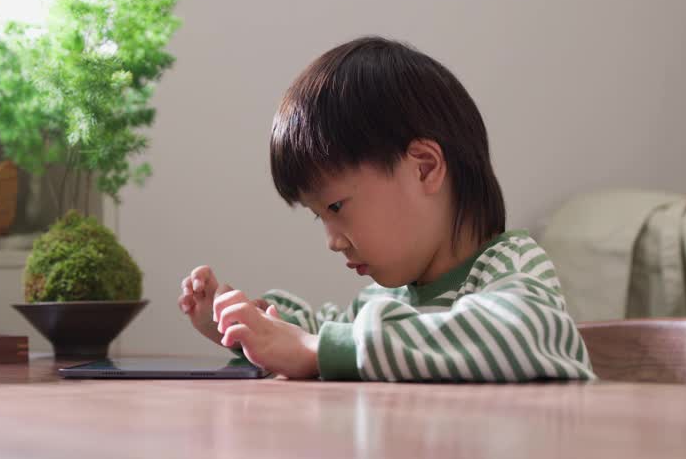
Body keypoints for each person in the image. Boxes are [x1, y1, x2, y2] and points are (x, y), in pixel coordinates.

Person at [178, 37, 595, 381]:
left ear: (424, 168)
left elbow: (520, 334)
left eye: (336, 206)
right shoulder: (387, 298)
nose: (332, 240)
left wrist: (316, 349)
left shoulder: (512, 267)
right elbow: (324, 330)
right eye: (319, 216)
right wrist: (250, 325)